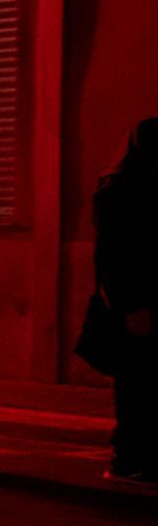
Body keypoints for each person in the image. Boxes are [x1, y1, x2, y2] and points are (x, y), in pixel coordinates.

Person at [91, 118, 158, 484]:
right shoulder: (119, 193)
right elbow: (112, 254)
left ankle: (137, 453)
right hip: (135, 302)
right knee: (137, 382)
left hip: (144, 299)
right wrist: (130, 305)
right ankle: (129, 456)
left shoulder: (142, 186)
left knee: (144, 381)